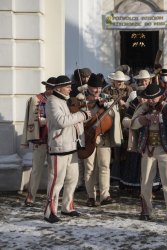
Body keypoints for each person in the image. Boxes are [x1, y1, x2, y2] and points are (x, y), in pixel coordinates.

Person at [131, 83, 167, 225]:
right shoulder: (143, 108)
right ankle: (146, 210)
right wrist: (145, 119)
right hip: (148, 149)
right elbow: (133, 124)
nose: (152, 101)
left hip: (166, 149)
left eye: (154, 98)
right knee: (145, 182)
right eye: (149, 98)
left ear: (160, 96)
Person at [44, 75, 91, 223]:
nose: (71, 88)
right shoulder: (52, 101)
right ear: (59, 88)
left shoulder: (66, 100)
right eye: (68, 86)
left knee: (73, 179)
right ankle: (49, 212)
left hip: (72, 145)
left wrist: (82, 113)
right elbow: (61, 121)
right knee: (56, 181)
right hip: (59, 146)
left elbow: (75, 122)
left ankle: (67, 207)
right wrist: (81, 114)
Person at [82, 73, 118, 207]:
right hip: (88, 137)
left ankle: (105, 195)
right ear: (88, 87)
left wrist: (108, 107)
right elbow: (79, 116)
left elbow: (114, 115)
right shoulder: (83, 99)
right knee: (89, 167)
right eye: (94, 88)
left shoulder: (106, 98)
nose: (97, 91)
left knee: (104, 166)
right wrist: (89, 106)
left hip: (104, 137)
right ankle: (91, 196)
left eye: (99, 88)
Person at [21, 77, 56, 207]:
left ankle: (51, 197)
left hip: (54, 141)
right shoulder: (35, 99)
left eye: (52, 87)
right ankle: (30, 197)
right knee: (36, 169)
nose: (49, 89)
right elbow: (27, 120)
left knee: (53, 171)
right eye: (48, 87)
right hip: (40, 139)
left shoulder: (59, 101)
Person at [104, 71, 132, 186]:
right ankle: (113, 175)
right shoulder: (107, 90)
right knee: (113, 148)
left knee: (125, 147)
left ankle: (123, 176)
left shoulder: (129, 90)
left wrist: (124, 103)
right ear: (113, 81)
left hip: (124, 120)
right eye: (118, 81)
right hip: (112, 120)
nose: (120, 83)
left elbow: (132, 104)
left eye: (121, 81)